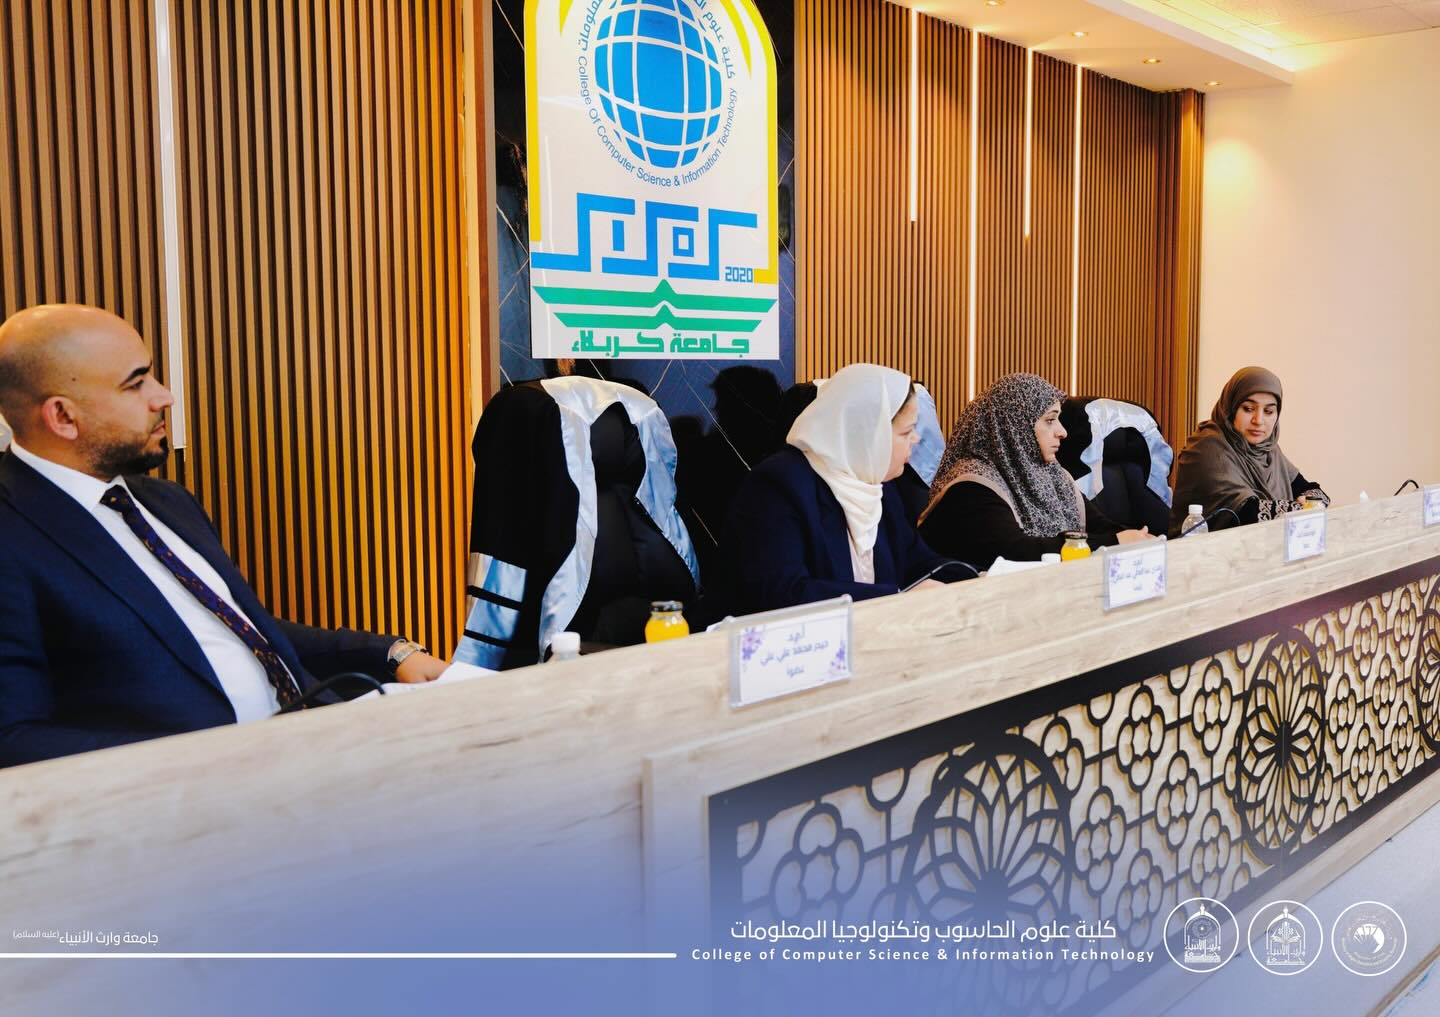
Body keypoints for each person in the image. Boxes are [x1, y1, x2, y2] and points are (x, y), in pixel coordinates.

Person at [0, 304, 447, 768]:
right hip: (194, 791)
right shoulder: (12, 538)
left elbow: (237, 629)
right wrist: (218, 758)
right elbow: (13, 738)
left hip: (318, 745)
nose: (164, 397)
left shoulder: (165, 500)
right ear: (63, 416)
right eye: (136, 384)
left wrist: (390, 653)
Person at [723, 363, 969, 614]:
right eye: (906, 432)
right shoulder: (779, 486)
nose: (916, 439)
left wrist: (977, 580)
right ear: (869, 435)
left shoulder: (877, 485)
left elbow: (918, 562)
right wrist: (894, 599)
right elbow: (784, 592)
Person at [919, 373, 1150, 571]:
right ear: (1015, 427)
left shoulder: (1053, 474)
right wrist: (1114, 542)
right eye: (1050, 420)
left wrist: (1140, 539)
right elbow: (1017, 551)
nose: (1062, 432)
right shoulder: (970, 485)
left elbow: (1100, 526)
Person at [1169, 366, 1328, 535]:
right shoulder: (1206, 448)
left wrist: (1312, 503)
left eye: (1268, 411)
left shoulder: (1269, 450)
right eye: (1248, 409)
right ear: (1231, 408)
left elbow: (1312, 490)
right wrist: (1306, 507)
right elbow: (1248, 512)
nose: (1258, 420)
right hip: (1203, 549)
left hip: (1258, 546)